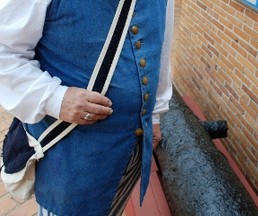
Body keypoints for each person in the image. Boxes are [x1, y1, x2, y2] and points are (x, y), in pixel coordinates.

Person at [0, 0, 174, 215]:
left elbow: (160, 44)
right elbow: (4, 51)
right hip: (73, 157)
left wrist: (155, 115)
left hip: (132, 147)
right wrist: (55, 98)